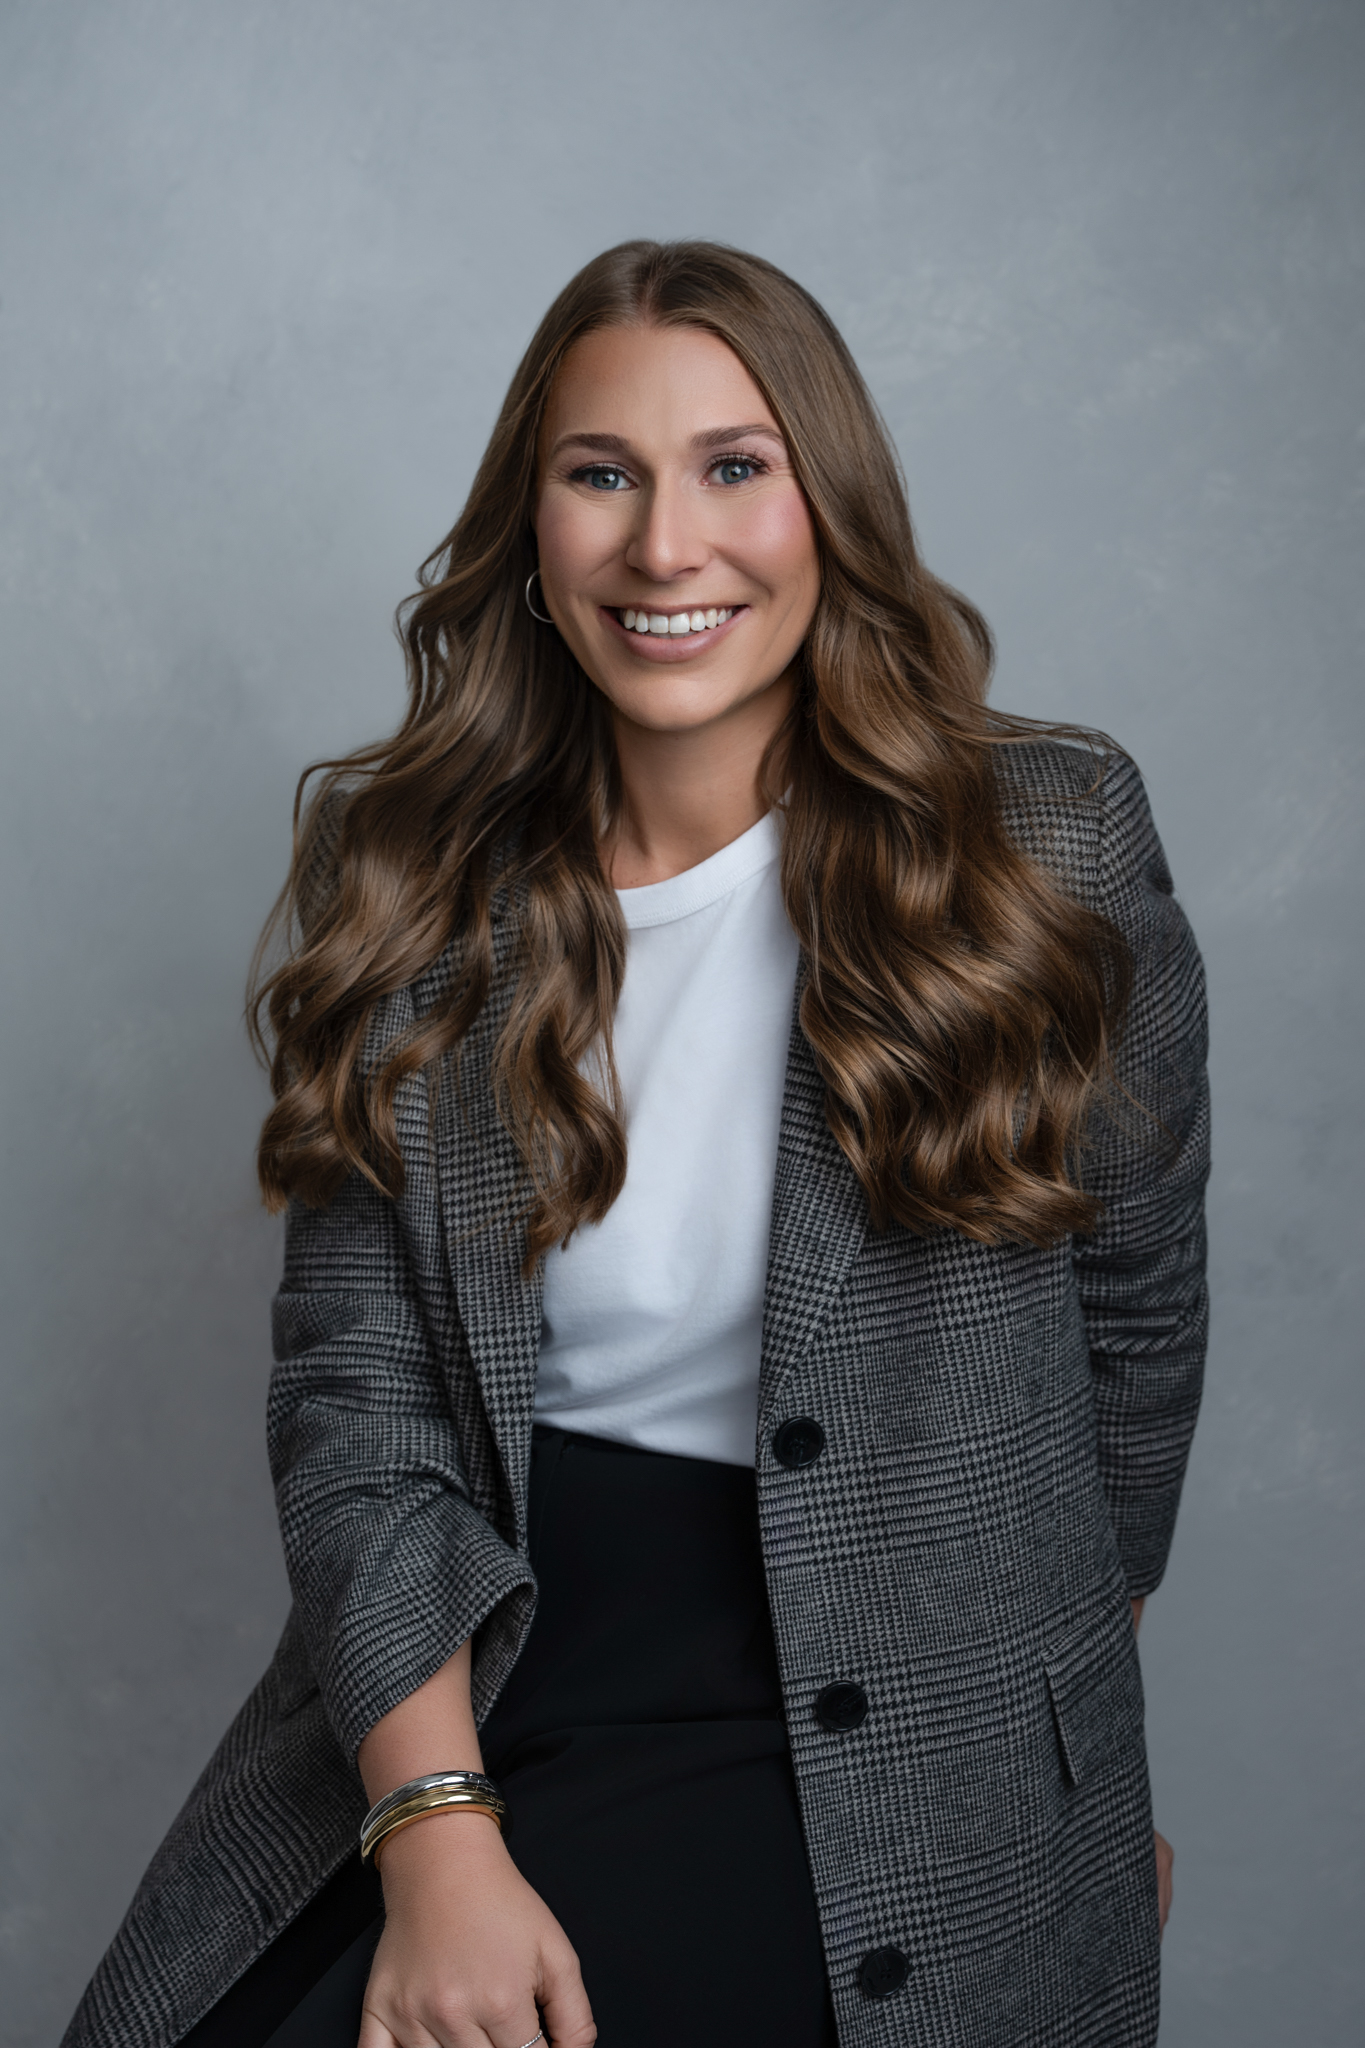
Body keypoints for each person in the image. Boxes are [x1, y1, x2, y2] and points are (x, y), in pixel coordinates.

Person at [64, 240, 1207, 2048]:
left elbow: (1132, 1348)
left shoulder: (1045, 845)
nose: (665, 546)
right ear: (530, 527)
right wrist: (437, 1839)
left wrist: (1042, 1786)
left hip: (895, 1700)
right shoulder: (412, 878)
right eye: (601, 474)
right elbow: (354, 1410)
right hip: (489, 1658)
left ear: (827, 507)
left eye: (734, 468)